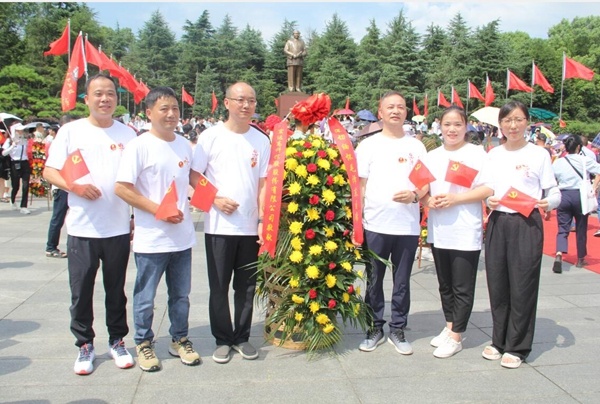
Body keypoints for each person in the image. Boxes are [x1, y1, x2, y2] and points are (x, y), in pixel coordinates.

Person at [43, 73, 137, 375]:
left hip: (117, 228)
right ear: (87, 99)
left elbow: (136, 180)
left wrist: (135, 216)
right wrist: (76, 187)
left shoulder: (128, 135)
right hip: (82, 229)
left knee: (116, 290)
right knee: (81, 290)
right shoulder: (71, 132)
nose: (105, 99)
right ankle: (84, 344)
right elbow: (49, 171)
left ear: (116, 98)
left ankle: (117, 341)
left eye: (110, 93)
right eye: (98, 93)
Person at [115, 86, 201, 372]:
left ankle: (180, 339)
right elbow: (122, 188)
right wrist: (158, 210)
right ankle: (143, 342)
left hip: (182, 238)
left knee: (181, 296)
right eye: (164, 109)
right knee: (145, 297)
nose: (171, 114)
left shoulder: (184, 145)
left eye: (175, 108)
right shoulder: (139, 146)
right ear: (149, 113)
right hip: (152, 239)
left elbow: (191, 181)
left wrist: (217, 200)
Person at [191, 82, 270, 364]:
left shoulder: (261, 140)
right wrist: (214, 199)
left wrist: (262, 220)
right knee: (219, 286)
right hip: (219, 227)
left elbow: (264, 183)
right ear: (227, 103)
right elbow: (194, 175)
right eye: (240, 100)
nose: (246, 105)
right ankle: (223, 339)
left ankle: (242, 337)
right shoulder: (210, 137)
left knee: (246, 287)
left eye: (251, 100)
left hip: (249, 227)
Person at [483, 100, 560, 369]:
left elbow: (553, 191)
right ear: (500, 124)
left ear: (527, 122)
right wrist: (489, 200)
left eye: (518, 119)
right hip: (498, 222)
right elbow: (487, 188)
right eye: (507, 120)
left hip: (527, 223)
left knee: (523, 284)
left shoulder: (539, 154)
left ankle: (517, 346)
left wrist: (549, 202)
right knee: (497, 283)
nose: (512, 125)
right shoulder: (494, 154)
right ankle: (498, 340)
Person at [355, 91, 428, 355]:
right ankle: (374, 327)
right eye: (390, 107)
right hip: (375, 224)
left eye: (400, 107)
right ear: (381, 112)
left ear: (406, 112)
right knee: (374, 280)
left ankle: (398, 328)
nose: (396, 111)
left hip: (406, 226)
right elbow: (360, 188)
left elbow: (424, 184)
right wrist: (357, 223)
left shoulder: (416, 147)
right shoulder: (368, 146)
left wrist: (414, 195)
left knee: (402, 281)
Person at [422, 106, 493, 358]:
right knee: (445, 284)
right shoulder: (432, 156)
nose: (452, 129)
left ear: (466, 127)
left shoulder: (476, 154)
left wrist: (456, 199)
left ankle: (456, 336)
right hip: (439, 229)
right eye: (447, 124)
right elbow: (422, 188)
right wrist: (427, 201)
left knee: (462, 285)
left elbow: (488, 189)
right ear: (439, 127)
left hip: (464, 228)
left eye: (458, 124)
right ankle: (450, 325)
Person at [551, 135, 600, 272]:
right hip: (580, 196)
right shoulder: (584, 160)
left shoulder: (558, 162)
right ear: (579, 147)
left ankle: (559, 253)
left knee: (563, 227)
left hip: (564, 195)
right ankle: (580, 258)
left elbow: (551, 179)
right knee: (581, 227)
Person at [45, 117, 75, 258]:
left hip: (74, 186)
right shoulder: (58, 143)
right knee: (58, 217)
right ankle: (51, 246)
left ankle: (73, 247)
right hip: (62, 187)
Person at [2, 123, 31, 214]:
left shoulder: (25, 140)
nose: (21, 132)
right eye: (19, 130)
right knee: (16, 186)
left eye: (22, 130)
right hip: (15, 163)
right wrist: (12, 146)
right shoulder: (9, 140)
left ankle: (24, 206)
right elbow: (3, 153)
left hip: (25, 163)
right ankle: (13, 199)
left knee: (26, 185)